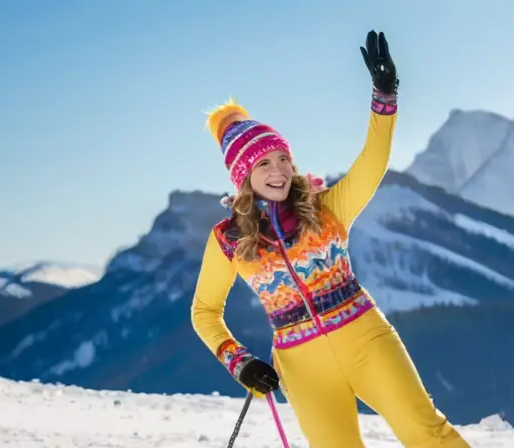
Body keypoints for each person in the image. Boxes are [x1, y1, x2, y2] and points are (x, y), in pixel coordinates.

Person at [190, 30, 470, 448]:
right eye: (264, 163)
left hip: (366, 338)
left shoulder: (325, 209)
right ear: (242, 176)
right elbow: (204, 312)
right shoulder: (229, 240)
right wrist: (240, 362)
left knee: (426, 433)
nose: (279, 170)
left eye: (284, 158)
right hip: (302, 367)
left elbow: (373, 162)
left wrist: (384, 95)